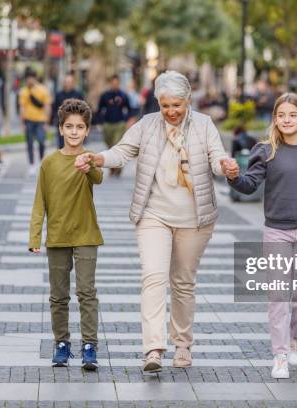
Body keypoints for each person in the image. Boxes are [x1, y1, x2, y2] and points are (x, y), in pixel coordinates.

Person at [74, 71, 231, 373]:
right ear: (157, 103)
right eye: (165, 105)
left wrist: (226, 167)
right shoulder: (146, 126)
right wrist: (97, 158)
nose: (171, 112)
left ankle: (182, 345)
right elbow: (121, 151)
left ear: (188, 101)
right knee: (154, 278)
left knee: (183, 283)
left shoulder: (204, 125)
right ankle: (153, 349)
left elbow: (217, 157)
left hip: (194, 218)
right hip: (153, 214)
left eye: (177, 105)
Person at [224, 92, 297, 379]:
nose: (286, 120)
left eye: (292, 115)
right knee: (278, 294)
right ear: (274, 119)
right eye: (281, 115)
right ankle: (279, 355)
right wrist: (232, 175)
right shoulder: (266, 151)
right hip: (276, 230)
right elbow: (249, 185)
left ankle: (295, 339)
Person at [28, 99, 104, 369]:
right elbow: (40, 202)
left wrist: (90, 165)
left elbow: (98, 179)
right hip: (58, 236)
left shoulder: (88, 158)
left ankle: (89, 346)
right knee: (58, 295)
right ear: (60, 129)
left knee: (86, 292)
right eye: (69, 126)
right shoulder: (49, 163)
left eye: (80, 127)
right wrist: (34, 237)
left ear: (87, 131)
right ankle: (61, 343)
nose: (74, 132)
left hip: (86, 235)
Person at [96, 75, 132, 177]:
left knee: (116, 145)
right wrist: (100, 121)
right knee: (109, 146)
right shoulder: (105, 95)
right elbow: (99, 109)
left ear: (119, 83)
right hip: (107, 124)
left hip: (119, 123)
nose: (115, 85)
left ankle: (117, 168)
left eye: (117, 83)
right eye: (113, 83)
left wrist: (127, 120)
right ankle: (113, 167)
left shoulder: (123, 95)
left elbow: (129, 109)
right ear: (111, 83)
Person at [19, 68, 52, 175]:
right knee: (29, 143)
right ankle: (31, 164)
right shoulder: (24, 91)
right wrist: (22, 123)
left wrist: (47, 122)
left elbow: (47, 106)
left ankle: (41, 160)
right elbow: (22, 107)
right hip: (28, 120)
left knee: (42, 141)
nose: (29, 81)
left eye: (31, 78)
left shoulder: (43, 90)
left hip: (41, 121)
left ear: (35, 78)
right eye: (28, 79)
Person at [51, 74, 84, 149]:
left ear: (73, 83)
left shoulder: (78, 94)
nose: (68, 84)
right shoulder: (58, 95)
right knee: (61, 145)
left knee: (74, 144)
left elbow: (83, 109)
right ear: (64, 83)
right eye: (66, 82)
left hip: (75, 124)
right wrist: (54, 119)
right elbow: (54, 108)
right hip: (62, 123)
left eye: (70, 82)